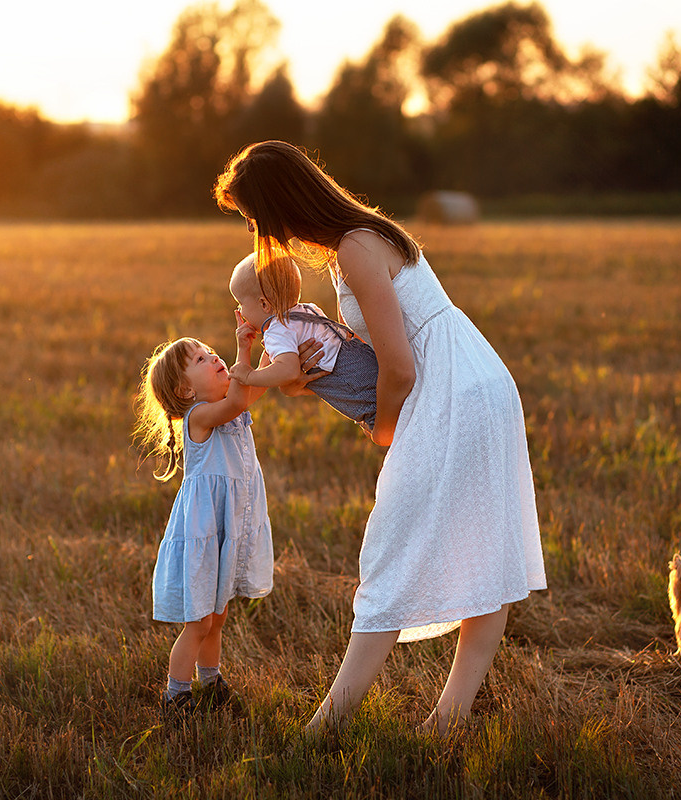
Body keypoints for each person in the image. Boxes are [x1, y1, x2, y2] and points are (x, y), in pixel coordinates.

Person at [214, 140, 546, 735]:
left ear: (278, 205)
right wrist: (310, 376)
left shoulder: (356, 248)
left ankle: (329, 726)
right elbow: (374, 351)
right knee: (478, 552)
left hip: (453, 394)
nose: (256, 233)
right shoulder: (355, 241)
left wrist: (385, 429)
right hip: (469, 382)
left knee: (394, 550)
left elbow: (400, 367)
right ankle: (445, 724)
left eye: (252, 218)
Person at [132, 319, 271, 718]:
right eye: (200, 359)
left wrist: (275, 341)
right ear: (186, 391)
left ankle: (211, 681)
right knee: (199, 623)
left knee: (218, 616)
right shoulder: (200, 416)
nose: (214, 357)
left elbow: (257, 385)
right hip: (205, 532)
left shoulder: (226, 407)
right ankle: (176, 696)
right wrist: (243, 352)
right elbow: (239, 401)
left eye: (211, 352)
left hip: (226, 528)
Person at [228, 251, 377, 428]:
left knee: (381, 423)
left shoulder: (277, 330)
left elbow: (288, 370)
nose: (240, 311)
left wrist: (249, 376)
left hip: (358, 388)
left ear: (264, 304)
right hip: (368, 364)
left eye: (241, 304)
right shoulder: (309, 310)